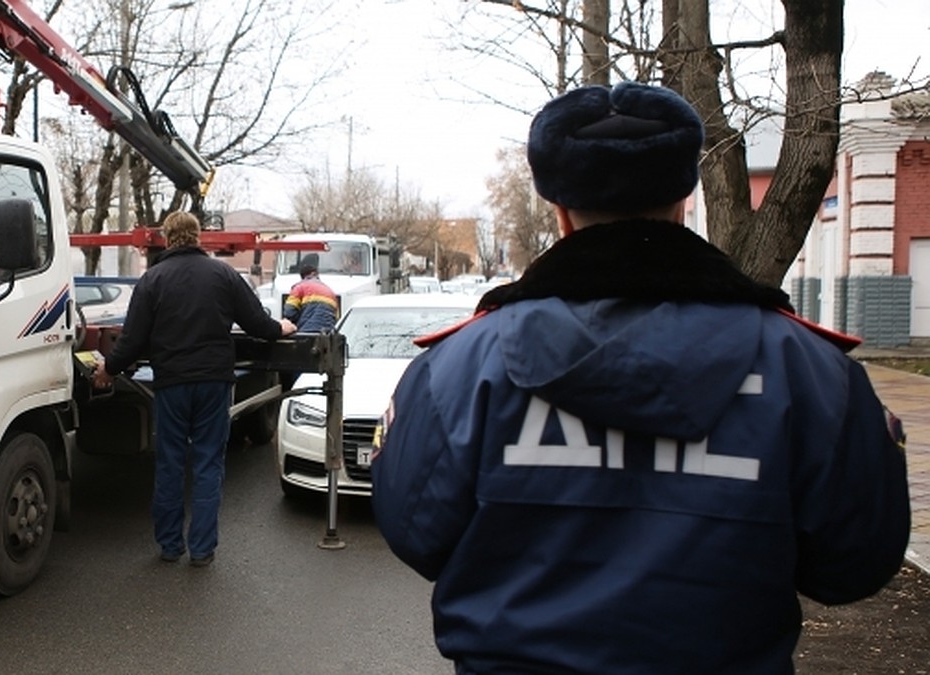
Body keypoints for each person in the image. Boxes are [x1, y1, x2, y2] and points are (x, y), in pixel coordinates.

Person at [370, 82, 911, 674]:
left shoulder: (459, 369)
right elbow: (855, 562)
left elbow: (415, 532)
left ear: (560, 213)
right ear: (685, 197)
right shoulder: (809, 372)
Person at [93, 211, 296, 567]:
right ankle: (202, 549)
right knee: (207, 464)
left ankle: (170, 546)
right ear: (198, 237)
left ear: (168, 239)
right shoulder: (224, 275)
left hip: (171, 384)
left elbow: (132, 338)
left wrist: (108, 369)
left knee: (170, 463)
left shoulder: (152, 279)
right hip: (214, 382)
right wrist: (281, 328)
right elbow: (257, 325)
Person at [280, 253, 340, 389]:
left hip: (305, 338)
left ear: (302, 276)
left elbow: (289, 312)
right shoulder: (330, 291)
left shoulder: (299, 287)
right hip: (326, 341)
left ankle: (294, 391)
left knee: (296, 369)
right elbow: (334, 318)